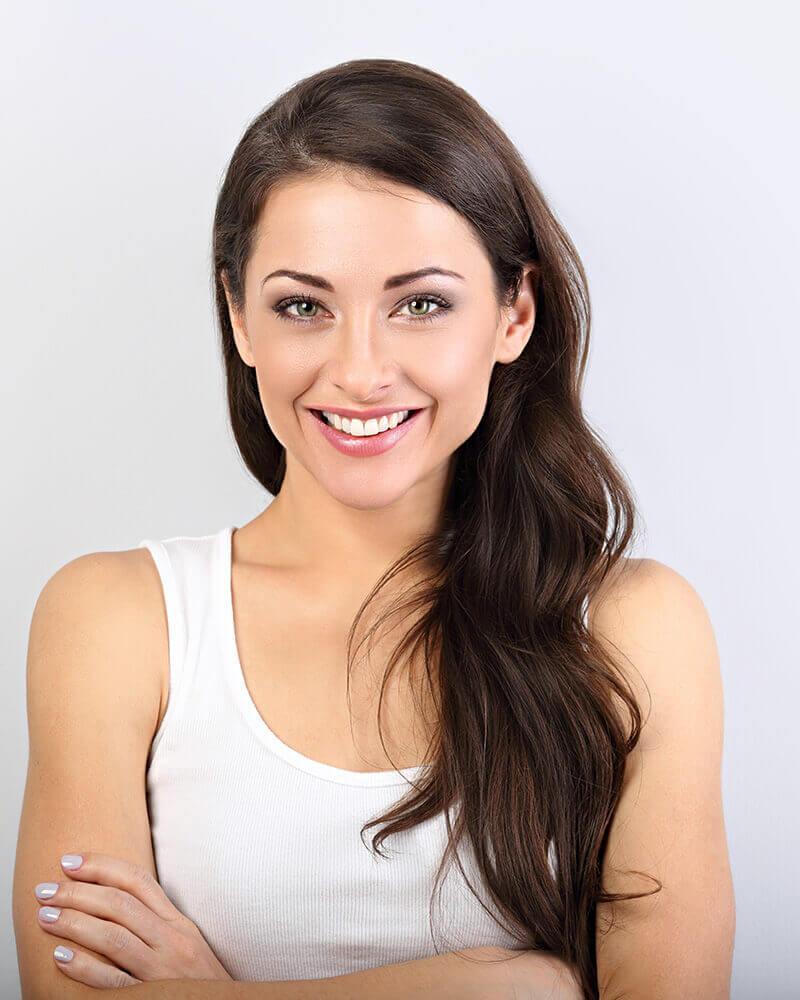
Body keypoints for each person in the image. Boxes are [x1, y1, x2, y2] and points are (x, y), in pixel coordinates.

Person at [13, 58, 734, 1000]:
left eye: (421, 304)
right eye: (303, 306)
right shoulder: (112, 620)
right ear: (237, 315)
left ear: (514, 312)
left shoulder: (633, 627)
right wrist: (514, 986)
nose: (360, 371)